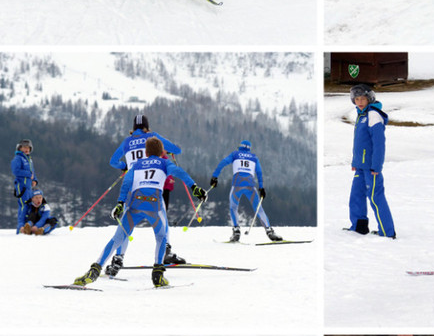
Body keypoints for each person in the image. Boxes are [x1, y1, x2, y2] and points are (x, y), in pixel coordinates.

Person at [74, 136, 207, 288]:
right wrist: (195, 188)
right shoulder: (164, 162)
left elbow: (126, 183)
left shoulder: (137, 164)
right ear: (161, 151)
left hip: (134, 204)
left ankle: (94, 270)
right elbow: (179, 172)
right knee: (162, 236)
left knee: (117, 238)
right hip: (154, 205)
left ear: (146, 152)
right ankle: (157, 275)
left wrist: (119, 204)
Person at [107, 113, 185, 273]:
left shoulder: (127, 141)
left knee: (126, 221)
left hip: (131, 185)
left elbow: (112, 161)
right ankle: (166, 252)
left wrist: (125, 166)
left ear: (133, 128)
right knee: (161, 215)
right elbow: (177, 149)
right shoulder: (152, 137)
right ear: (146, 127)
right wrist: (167, 151)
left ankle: (118, 259)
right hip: (151, 185)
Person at [347, 83, 395, 238]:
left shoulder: (373, 115)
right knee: (356, 196)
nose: (359, 102)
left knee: (375, 198)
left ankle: (387, 231)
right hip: (361, 166)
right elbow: (360, 142)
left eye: (362, 99)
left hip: (371, 168)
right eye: (357, 99)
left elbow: (379, 144)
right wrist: (356, 163)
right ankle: (359, 226)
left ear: (369, 98)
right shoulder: (361, 115)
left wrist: (376, 165)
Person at [210, 140, 282, 242]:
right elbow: (259, 173)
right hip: (250, 186)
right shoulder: (254, 157)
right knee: (259, 209)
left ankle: (236, 231)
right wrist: (261, 188)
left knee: (233, 207)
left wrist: (215, 177)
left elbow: (222, 163)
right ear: (249, 148)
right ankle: (269, 231)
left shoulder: (235, 154)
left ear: (240, 147)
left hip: (237, 185)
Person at [11, 138, 38, 232]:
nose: (26, 149)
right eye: (24, 147)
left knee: (29, 206)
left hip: (29, 186)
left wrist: (35, 180)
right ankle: (20, 228)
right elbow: (16, 171)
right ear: (20, 148)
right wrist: (28, 174)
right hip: (21, 186)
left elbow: (32, 172)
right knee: (24, 206)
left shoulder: (29, 159)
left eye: (28, 147)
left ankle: (27, 227)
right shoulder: (18, 158)